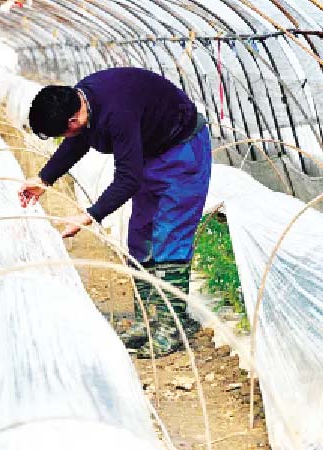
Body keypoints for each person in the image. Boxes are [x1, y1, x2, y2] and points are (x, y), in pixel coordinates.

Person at [18, 67, 212, 357]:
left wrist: (90, 215)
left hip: (182, 151)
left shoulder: (117, 112)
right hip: (150, 153)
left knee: (169, 238)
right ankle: (150, 320)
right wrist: (44, 179)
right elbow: (77, 141)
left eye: (62, 132)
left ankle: (172, 329)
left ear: (74, 119)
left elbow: (128, 180)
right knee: (140, 237)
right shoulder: (82, 99)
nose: (64, 137)